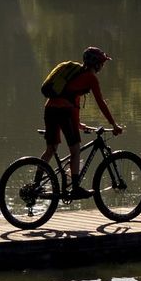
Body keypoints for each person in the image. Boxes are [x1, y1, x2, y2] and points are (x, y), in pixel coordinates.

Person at [42, 46, 121, 199]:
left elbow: (74, 101)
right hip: (63, 112)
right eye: (102, 63)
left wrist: (77, 123)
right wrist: (114, 125)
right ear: (96, 64)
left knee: (50, 149)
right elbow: (101, 103)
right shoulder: (90, 78)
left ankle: (35, 184)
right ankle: (76, 187)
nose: (102, 67)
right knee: (75, 149)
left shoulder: (75, 74)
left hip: (50, 109)